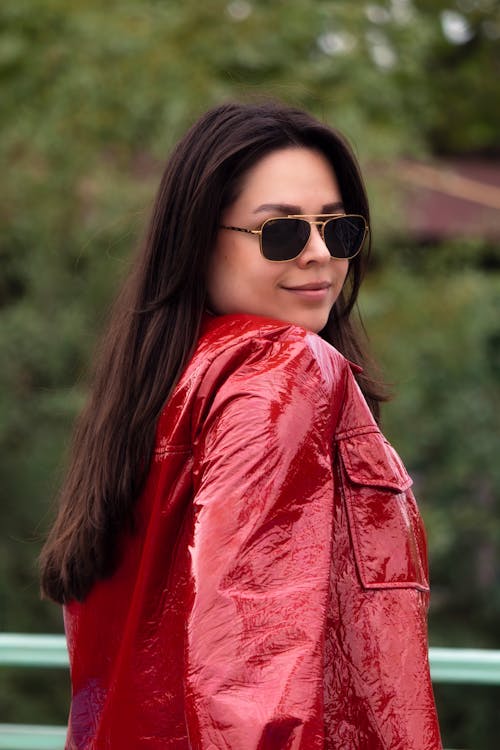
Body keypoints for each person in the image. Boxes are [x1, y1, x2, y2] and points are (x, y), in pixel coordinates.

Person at [40, 100, 442, 749]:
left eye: (337, 230)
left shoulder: (156, 393)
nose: (319, 255)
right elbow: (251, 679)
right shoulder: (285, 369)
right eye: (281, 232)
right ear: (199, 241)